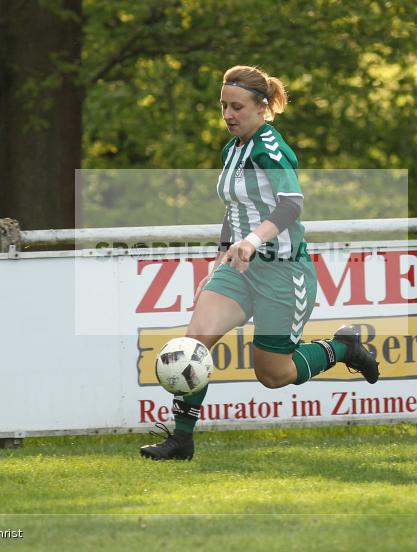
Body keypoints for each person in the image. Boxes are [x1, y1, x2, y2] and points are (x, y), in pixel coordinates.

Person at [140, 65, 379, 461]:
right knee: (193, 343)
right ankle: (181, 440)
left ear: (261, 107)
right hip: (239, 269)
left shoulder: (272, 150)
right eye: (223, 107)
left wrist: (251, 241)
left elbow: (291, 204)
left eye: (237, 107)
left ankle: (343, 348)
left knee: (273, 375)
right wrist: (220, 257)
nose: (229, 115)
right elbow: (235, 209)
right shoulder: (232, 150)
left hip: (283, 272)